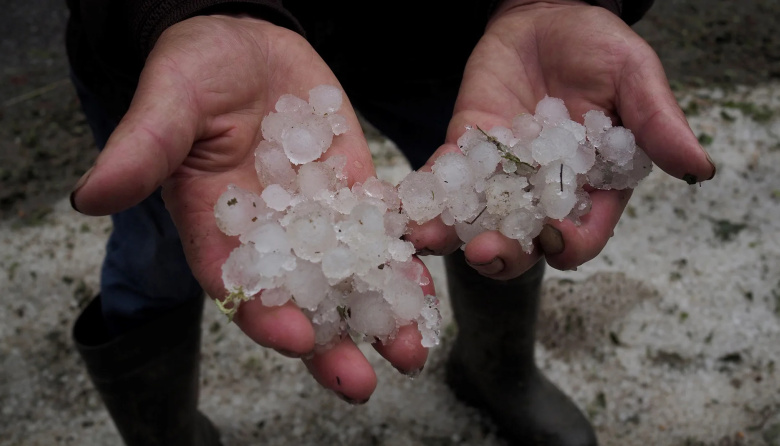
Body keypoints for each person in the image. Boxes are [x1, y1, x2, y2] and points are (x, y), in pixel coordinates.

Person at [65, 1, 716, 445]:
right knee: (157, 246)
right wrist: (188, 7)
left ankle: (495, 370)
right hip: (173, 40)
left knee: (484, 213)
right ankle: (163, 432)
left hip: (446, 31)